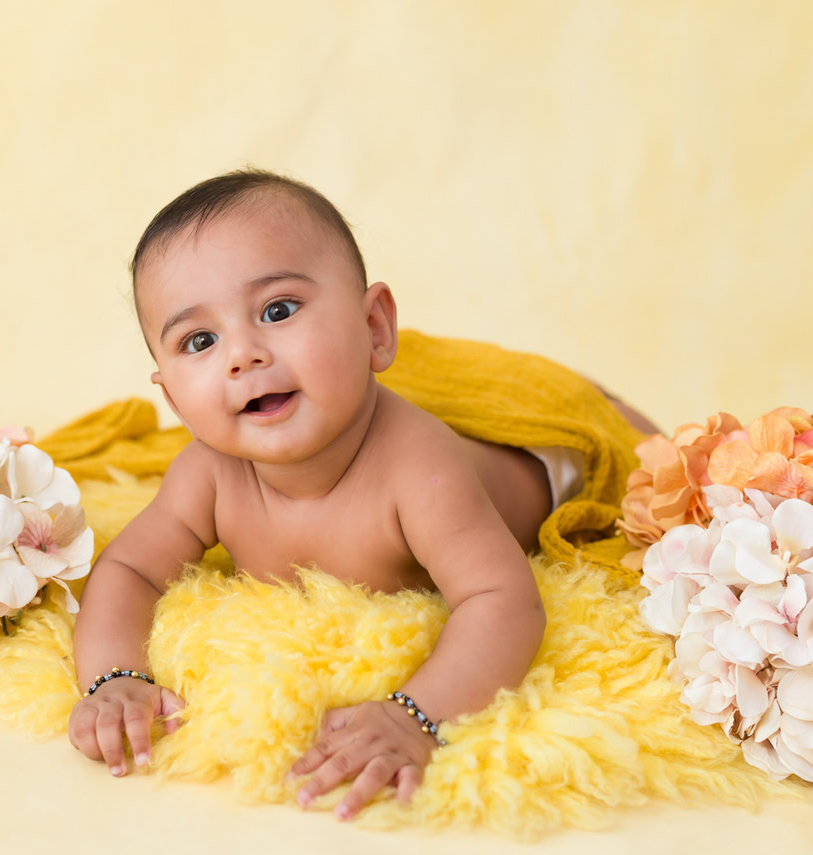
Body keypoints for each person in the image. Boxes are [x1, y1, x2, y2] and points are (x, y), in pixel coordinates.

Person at [68, 168, 661, 820]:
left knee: (623, 442)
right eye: (199, 341)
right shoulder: (207, 473)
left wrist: (415, 715)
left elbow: (504, 601)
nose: (242, 355)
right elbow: (128, 568)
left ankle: (598, 397)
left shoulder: (419, 468)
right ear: (175, 399)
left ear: (375, 327)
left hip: (540, 458)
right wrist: (114, 677)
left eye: (278, 310)